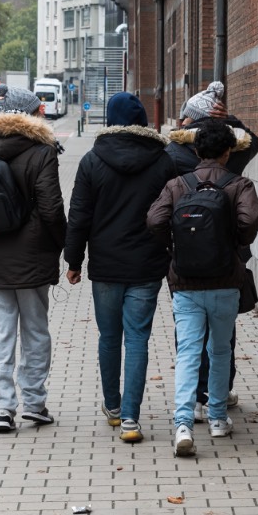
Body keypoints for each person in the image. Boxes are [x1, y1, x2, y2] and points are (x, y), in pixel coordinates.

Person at [64, 92, 176, 443]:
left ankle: (112, 407)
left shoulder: (92, 160)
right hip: (147, 264)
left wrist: (73, 260)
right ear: (142, 121)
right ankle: (131, 419)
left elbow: (79, 215)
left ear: (110, 120)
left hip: (106, 265)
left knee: (110, 337)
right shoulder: (163, 161)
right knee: (139, 339)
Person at [148, 119, 258, 456]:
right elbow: (250, 220)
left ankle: (183, 423)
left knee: (188, 352)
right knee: (220, 349)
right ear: (228, 152)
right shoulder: (239, 184)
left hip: (185, 281)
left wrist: (173, 248)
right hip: (226, 279)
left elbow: (155, 220)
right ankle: (216, 419)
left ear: (196, 150)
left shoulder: (177, 184)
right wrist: (235, 246)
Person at [0, 84, 67, 434]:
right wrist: (65, 246)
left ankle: (1, 408)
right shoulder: (42, 152)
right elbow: (51, 207)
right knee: (35, 331)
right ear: (32, 113)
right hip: (34, 257)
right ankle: (35, 403)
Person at [165, 81, 258, 422]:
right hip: (227, 261)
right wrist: (230, 118)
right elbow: (254, 141)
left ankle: (190, 399)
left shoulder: (172, 156)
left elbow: (155, 216)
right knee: (222, 336)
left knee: (190, 334)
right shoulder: (233, 157)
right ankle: (217, 397)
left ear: (188, 122)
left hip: (186, 261)